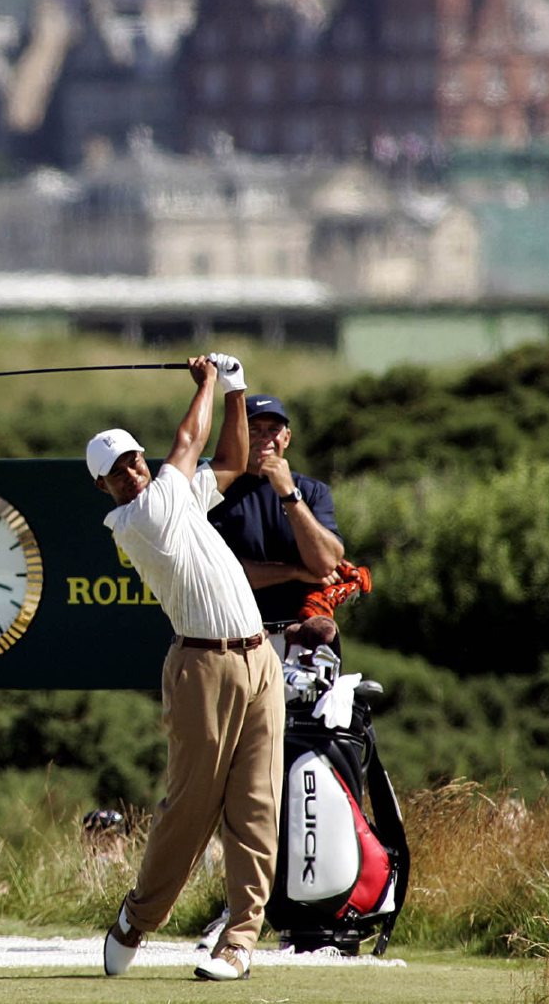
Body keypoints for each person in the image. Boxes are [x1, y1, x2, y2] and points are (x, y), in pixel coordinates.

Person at [88, 352, 284, 983]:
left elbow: (226, 461)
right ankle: (137, 920)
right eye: (118, 471)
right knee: (191, 809)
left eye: (133, 460)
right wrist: (207, 382)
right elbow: (188, 440)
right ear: (106, 488)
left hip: (259, 660)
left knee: (256, 803)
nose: (132, 472)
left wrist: (236, 390)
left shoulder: (174, 498)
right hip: (202, 668)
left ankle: (239, 940)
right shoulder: (140, 518)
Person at [208, 395, 353, 646]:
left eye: (273, 430)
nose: (265, 438)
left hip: (306, 634)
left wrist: (289, 494)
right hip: (238, 637)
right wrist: (296, 571)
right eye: (254, 430)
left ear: (286, 437)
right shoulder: (215, 493)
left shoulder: (311, 491)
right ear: (239, 434)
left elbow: (327, 564)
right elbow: (223, 574)